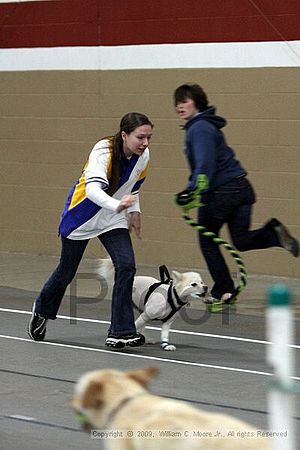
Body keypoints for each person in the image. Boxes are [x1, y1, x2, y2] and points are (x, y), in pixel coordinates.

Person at [28, 112, 154, 348]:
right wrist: (118, 205)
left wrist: (135, 211)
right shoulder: (103, 151)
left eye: (149, 137)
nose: (145, 143)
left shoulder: (143, 156)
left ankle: (120, 331)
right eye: (140, 137)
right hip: (83, 215)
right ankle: (42, 309)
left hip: (112, 217)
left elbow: (133, 189)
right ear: (125, 135)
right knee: (66, 273)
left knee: (126, 265)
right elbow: (93, 191)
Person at [174, 83, 299, 306]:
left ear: (197, 102)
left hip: (221, 192)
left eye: (184, 101)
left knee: (207, 241)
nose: (179, 106)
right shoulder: (206, 126)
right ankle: (273, 233)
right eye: (177, 103)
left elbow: (205, 164)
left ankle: (223, 289)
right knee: (240, 240)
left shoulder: (199, 127)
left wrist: (191, 190)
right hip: (241, 188)